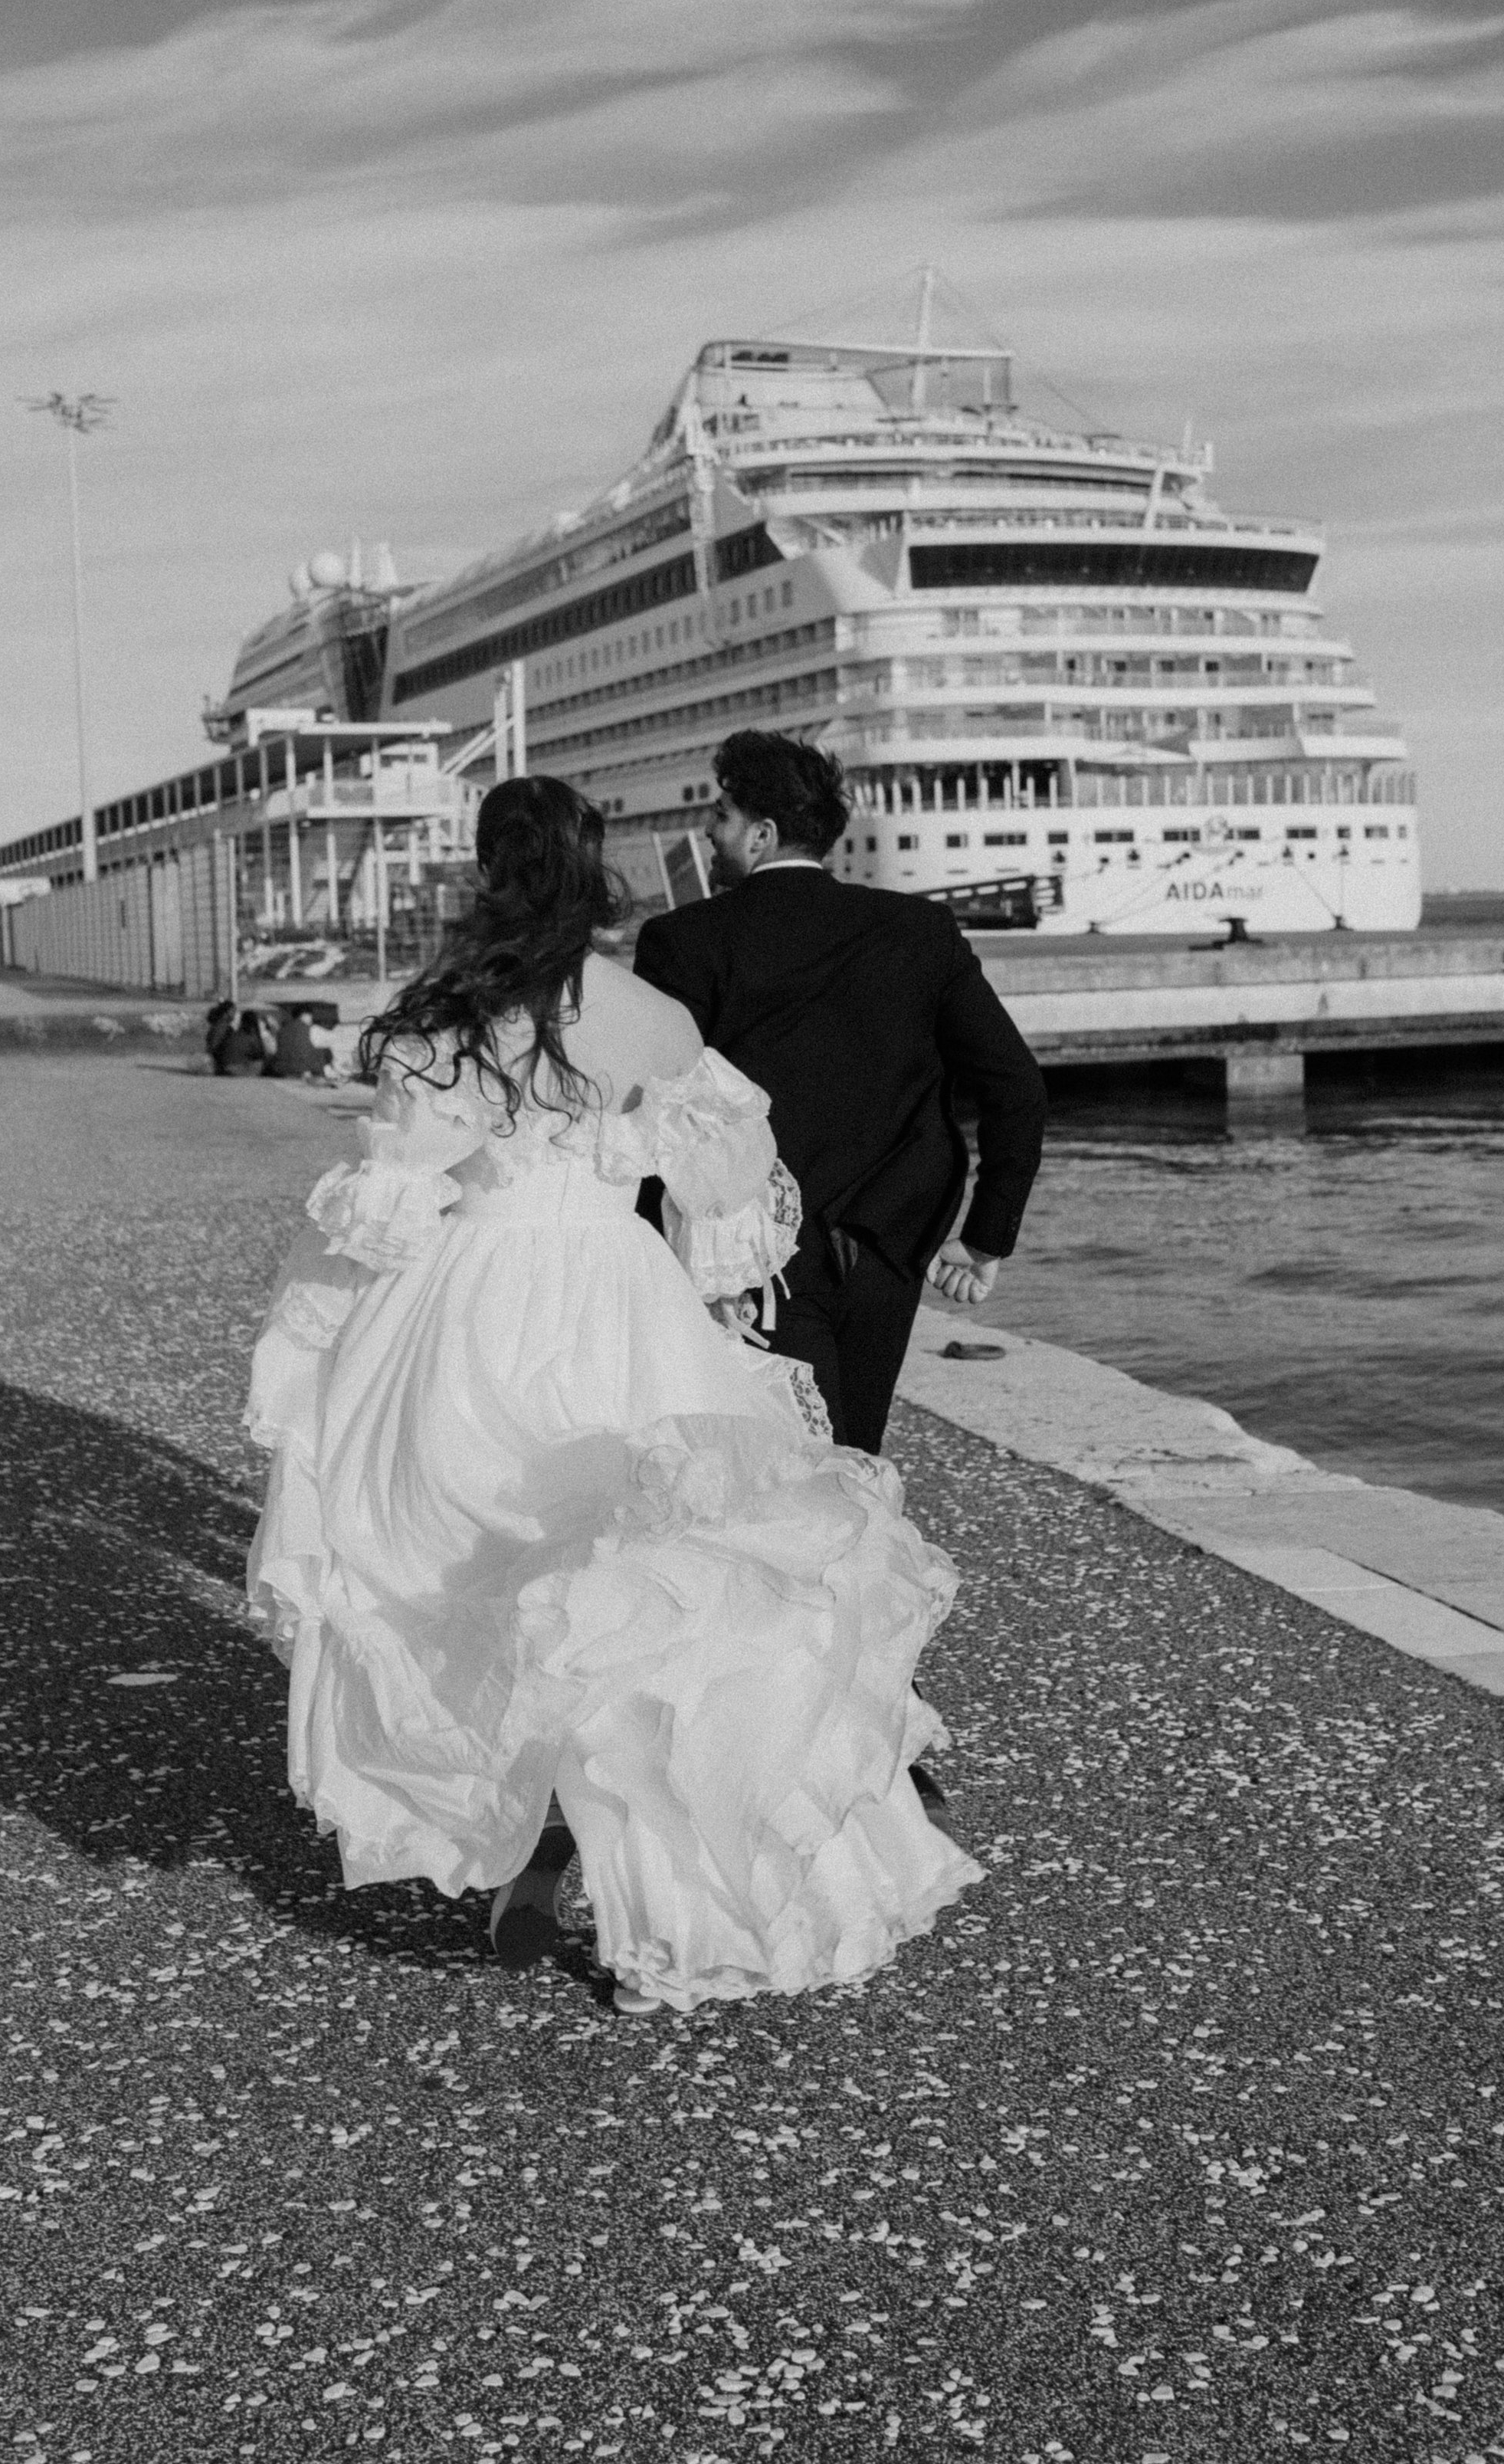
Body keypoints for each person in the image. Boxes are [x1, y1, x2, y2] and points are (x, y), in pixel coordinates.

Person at [244, 776, 979, 2016]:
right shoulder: (647, 1015)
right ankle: (649, 1906)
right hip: (616, 1298)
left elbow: (386, 1202)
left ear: (487, 872)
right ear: (595, 875)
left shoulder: (446, 1019)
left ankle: (524, 1857)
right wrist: (727, 1304)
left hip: (468, 1310)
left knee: (464, 1586)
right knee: (645, 1598)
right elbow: (730, 1182)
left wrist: (317, 1343)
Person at [633, 730, 1047, 1457]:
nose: (709, 830)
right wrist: (987, 1234)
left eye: (722, 814)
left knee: (791, 1467)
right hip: (888, 1244)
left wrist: (659, 1263)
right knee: (855, 1459)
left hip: (752, 1257)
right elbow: (1016, 1085)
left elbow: (661, 1114)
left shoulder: (682, 941)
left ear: (761, 835)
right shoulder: (918, 930)